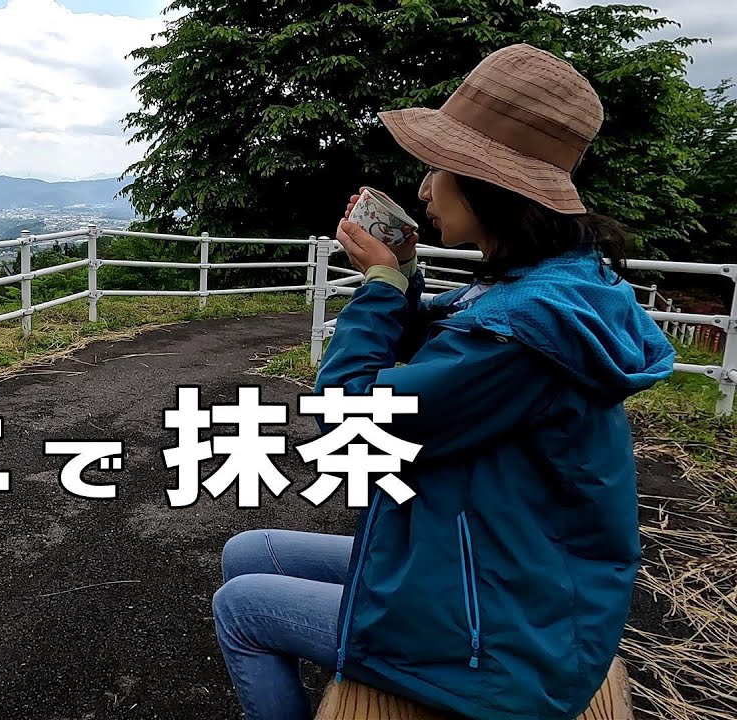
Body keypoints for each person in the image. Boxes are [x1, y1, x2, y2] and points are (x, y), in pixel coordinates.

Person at [211, 43, 676, 720]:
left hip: (502, 642)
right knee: (249, 549)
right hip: (503, 573)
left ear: (488, 185)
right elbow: (449, 340)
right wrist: (405, 272)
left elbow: (348, 424)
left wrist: (378, 285)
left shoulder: (526, 331)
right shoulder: (551, 287)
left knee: (242, 608)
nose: (424, 190)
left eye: (438, 168)